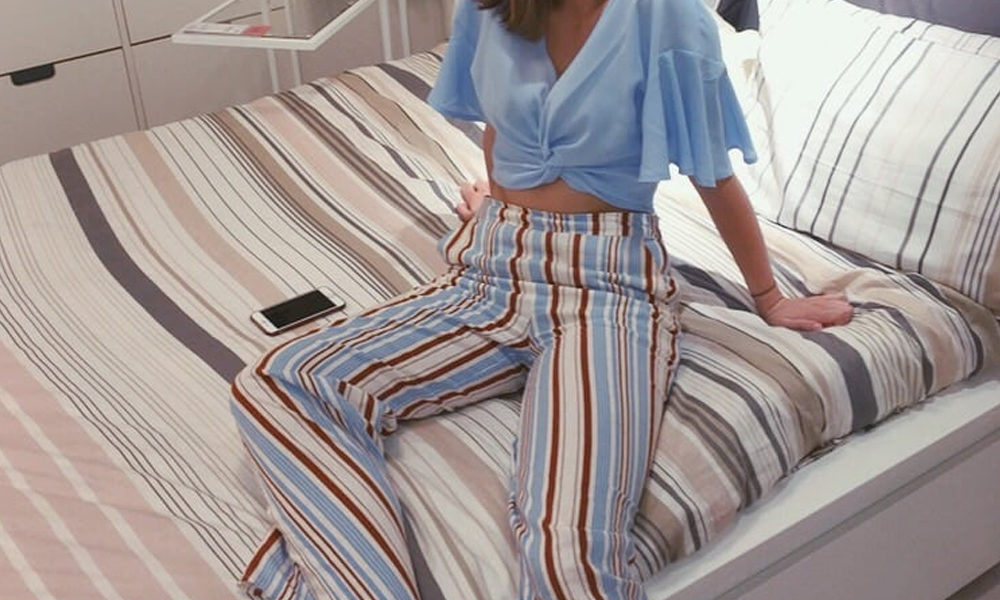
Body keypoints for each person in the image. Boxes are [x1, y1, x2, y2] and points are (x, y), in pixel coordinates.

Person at [230, 0, 854, 598]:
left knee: (568, 546)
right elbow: (500, 130)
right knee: (285, 380)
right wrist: (503, 196)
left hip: (607, 289)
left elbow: (711, 172)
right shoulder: (492, 6)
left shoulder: (668, 15)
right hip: (493, 266)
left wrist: (768, 296)